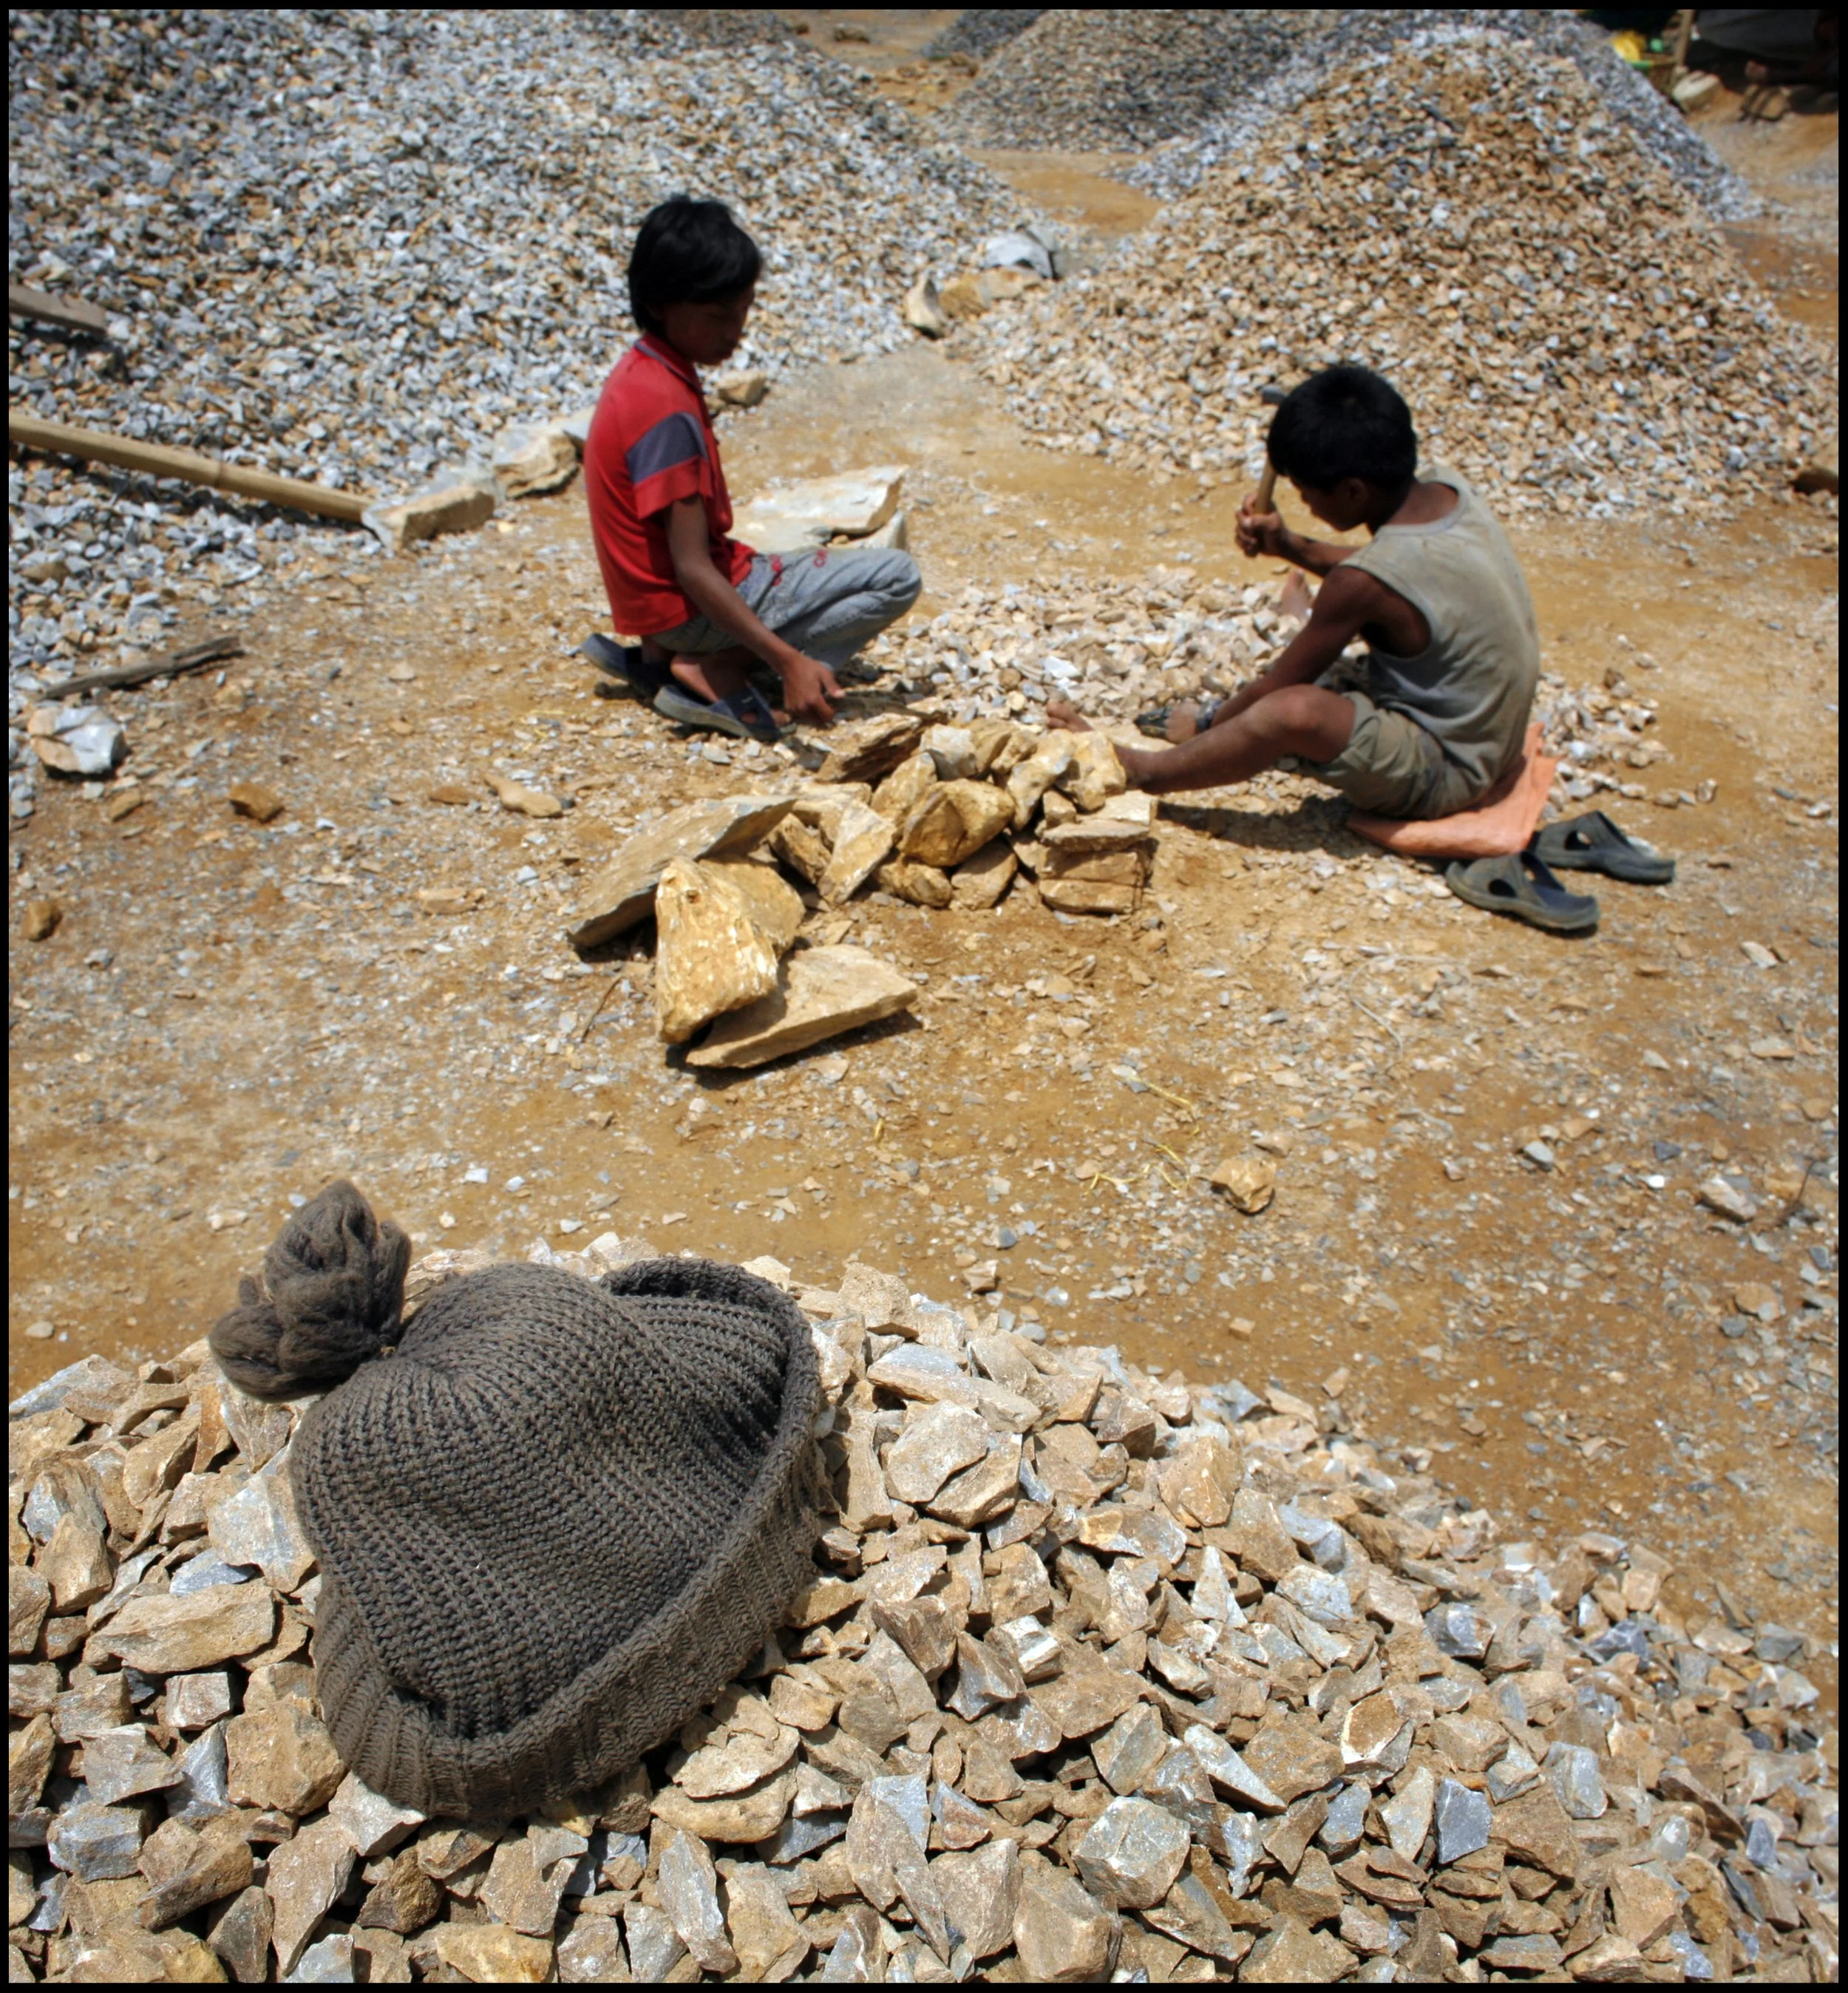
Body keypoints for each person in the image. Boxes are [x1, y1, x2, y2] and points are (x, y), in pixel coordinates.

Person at [1048, 364, 1538, 821]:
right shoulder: (1446, 493)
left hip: (1448, 773)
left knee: (1294, 712)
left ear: (1351, 491)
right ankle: (1208, 733)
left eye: (1306, 491)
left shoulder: (1362, 582)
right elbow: (1395, 575)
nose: (1301, 501)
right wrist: (1287, 545)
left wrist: (1208, 726)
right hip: (1491, 736)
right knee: (1330, 675)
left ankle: (1144, 771)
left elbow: (1278, 686)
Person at [582, 196, 922, 740]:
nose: (736, 330)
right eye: (720, 316)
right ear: (663, 303)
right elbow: (692, 567)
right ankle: (722, 666)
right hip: (684, 611)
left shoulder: (639, 371)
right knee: (896, 576)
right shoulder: (667, 410)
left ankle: (665, 655)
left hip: (653, 613)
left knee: (795, 564)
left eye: (743, 310)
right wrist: (786, 660)